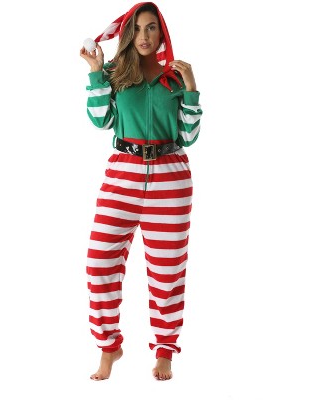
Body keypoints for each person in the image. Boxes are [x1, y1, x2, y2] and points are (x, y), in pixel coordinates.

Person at [80, 2, 203, 381]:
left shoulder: (175, 76)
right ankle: (109, 346)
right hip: (123, 175)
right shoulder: (115, 73)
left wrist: (192, 90)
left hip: (171, 179)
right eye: (137, 29)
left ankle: (165, 349)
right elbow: (101, 120)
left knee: (167, 271)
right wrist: (96, 73)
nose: (144, 36)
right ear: (127, 33)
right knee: (99, 261)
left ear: (161, 32)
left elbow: (189, 136)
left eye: (151, 28)